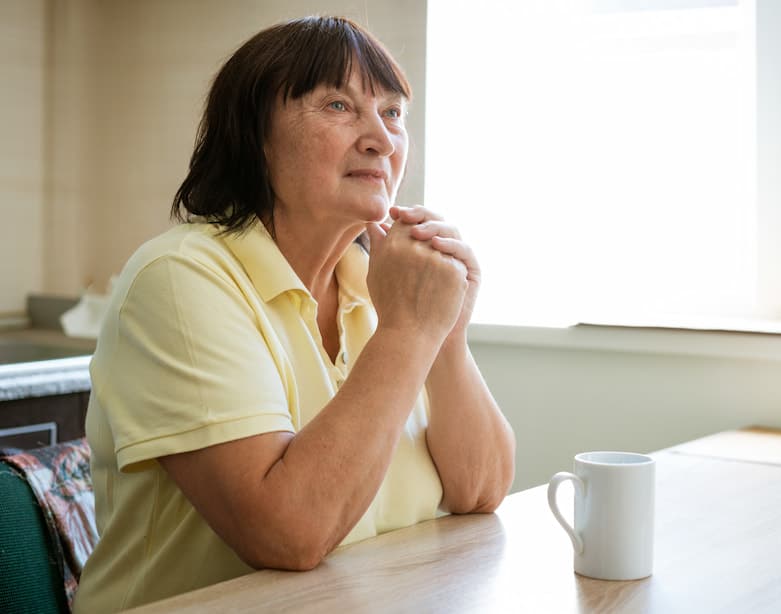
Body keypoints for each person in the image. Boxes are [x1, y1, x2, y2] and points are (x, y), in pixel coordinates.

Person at [73, 16, 515, 612]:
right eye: (338, 105)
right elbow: (287, 532)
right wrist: (411, 332)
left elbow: (481, 489)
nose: (381, 140)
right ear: (254, 137)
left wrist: (447, 332)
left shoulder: (377, 278)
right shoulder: (180, 280)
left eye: (391, 112)